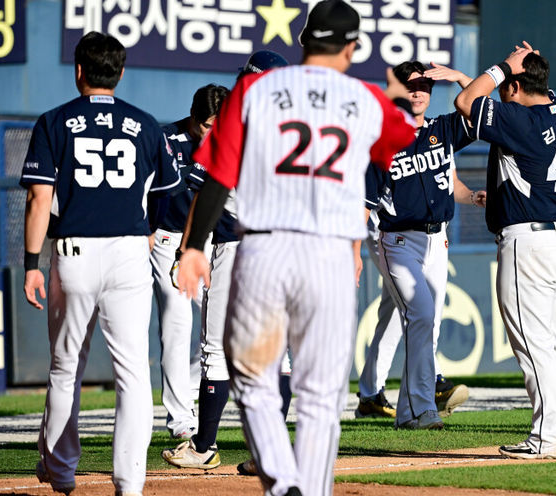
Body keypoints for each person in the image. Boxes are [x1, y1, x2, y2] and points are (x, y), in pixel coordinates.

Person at [175, 1, 416, 493]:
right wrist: (392, 98)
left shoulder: (253, 92)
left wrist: (195, 246)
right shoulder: (364, 97)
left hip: (265, 251)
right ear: (351, 48)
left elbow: (219, 175)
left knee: (251, 378)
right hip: (328, 257)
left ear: (304, 41)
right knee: (321, 394)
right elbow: (400, 139)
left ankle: (282, 481)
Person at [21, 32, 182, 495]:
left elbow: (38, 200)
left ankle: (62, 471)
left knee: (65, 367)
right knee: (133, 372)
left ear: (78, 71)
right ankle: (130, 483)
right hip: (130, 252)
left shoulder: (54, 121)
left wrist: (32, 261)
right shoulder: (147, 124)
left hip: (73, 252)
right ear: (121, 72)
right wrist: (148, 231)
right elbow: (168, 194)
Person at [162, 50, 290, 474]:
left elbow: (204, 195)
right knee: (278, 355)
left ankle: (204, 446)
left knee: (215, 349)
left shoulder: (235, 126)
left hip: (238, 246)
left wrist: (189, 249)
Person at [453, 42, 556, 459]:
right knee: (553, 341)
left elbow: (467, 101)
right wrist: (525, 69)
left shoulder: (519, 119)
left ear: (514, 86)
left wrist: (501, 67)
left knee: (533, 343)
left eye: (507, 84)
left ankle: (547, 435)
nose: (502, 90)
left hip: (529, 243)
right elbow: (535, 98)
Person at [359, 60, 481, 426]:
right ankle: (421, 407)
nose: (418, 92)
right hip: (398, 241)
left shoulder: (442, 129)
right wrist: (349, 252)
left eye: (425, 86)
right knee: (421, 315)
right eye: (411, 86)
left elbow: (479, 108)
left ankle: (409, 408)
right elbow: (363, 205)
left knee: (427, 322)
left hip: (437, 240)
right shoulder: (381, 139)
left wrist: (462, 79)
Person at [151, 83, 228, 440]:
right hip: (168, 241)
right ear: (194, 116)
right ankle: (182, 420)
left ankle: (202, 393)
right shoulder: (166, 139)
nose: (212, 131)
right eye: (207, 125)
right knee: (177, 327)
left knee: (225, 331)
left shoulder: (232, 142)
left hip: (211, 243)